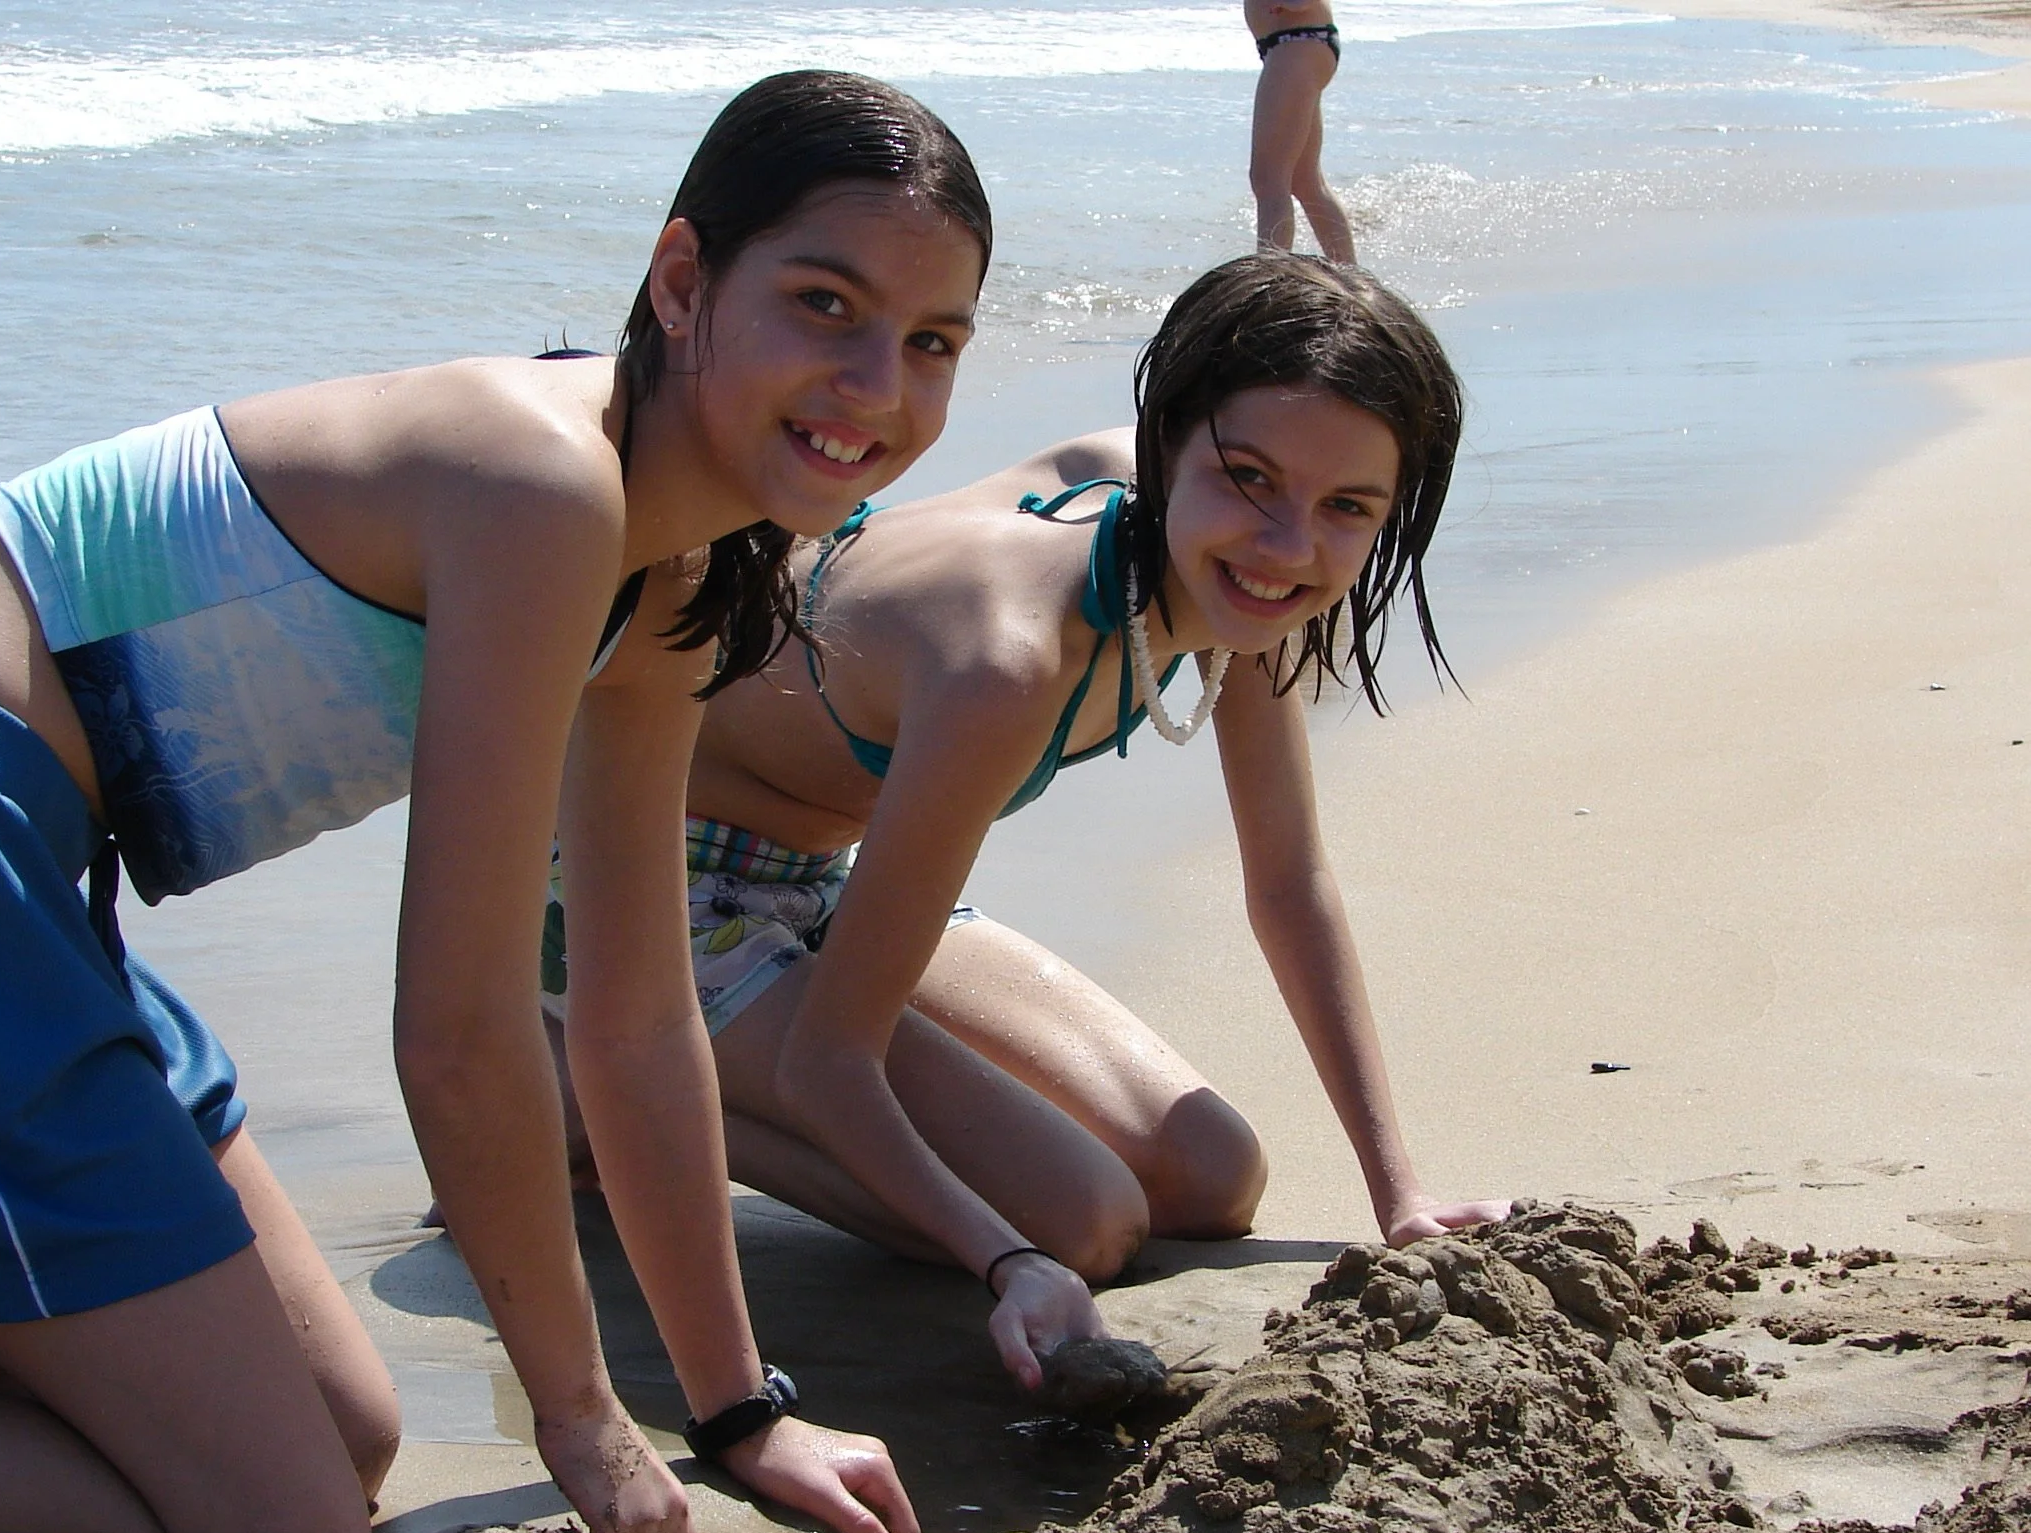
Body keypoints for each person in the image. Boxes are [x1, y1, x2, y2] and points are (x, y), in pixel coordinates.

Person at [0, 70, 991, 1533]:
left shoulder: (673, 566)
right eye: (825, 305)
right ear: (682, 280)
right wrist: (581, 1419)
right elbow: (462, 1030)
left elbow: (631, 1014)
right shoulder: (541, 484)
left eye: (931, 341)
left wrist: (738, 1412)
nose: (875, 384)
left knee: (341, 1435)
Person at [539, 253, 1507, 1390]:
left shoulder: (1242, 575)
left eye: (1347, 508)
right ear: (1167, 441)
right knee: (1082, 1221)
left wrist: (1398, 1194)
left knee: (1209, 1173)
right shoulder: (1010, 654)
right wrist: (1008, 1259)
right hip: (640, 886)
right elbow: (829, 1060)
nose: (1288, 542)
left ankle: (654, 1078)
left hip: (830, 872)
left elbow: (1288, 882)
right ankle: (585, 1087)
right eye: (1249, 479)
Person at [1245, 0, 1355, 262]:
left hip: (1296, 44)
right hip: (1297, 44)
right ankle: (1351, 273)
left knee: (1268, 180)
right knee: (1306, 182)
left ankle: (1271, 275)